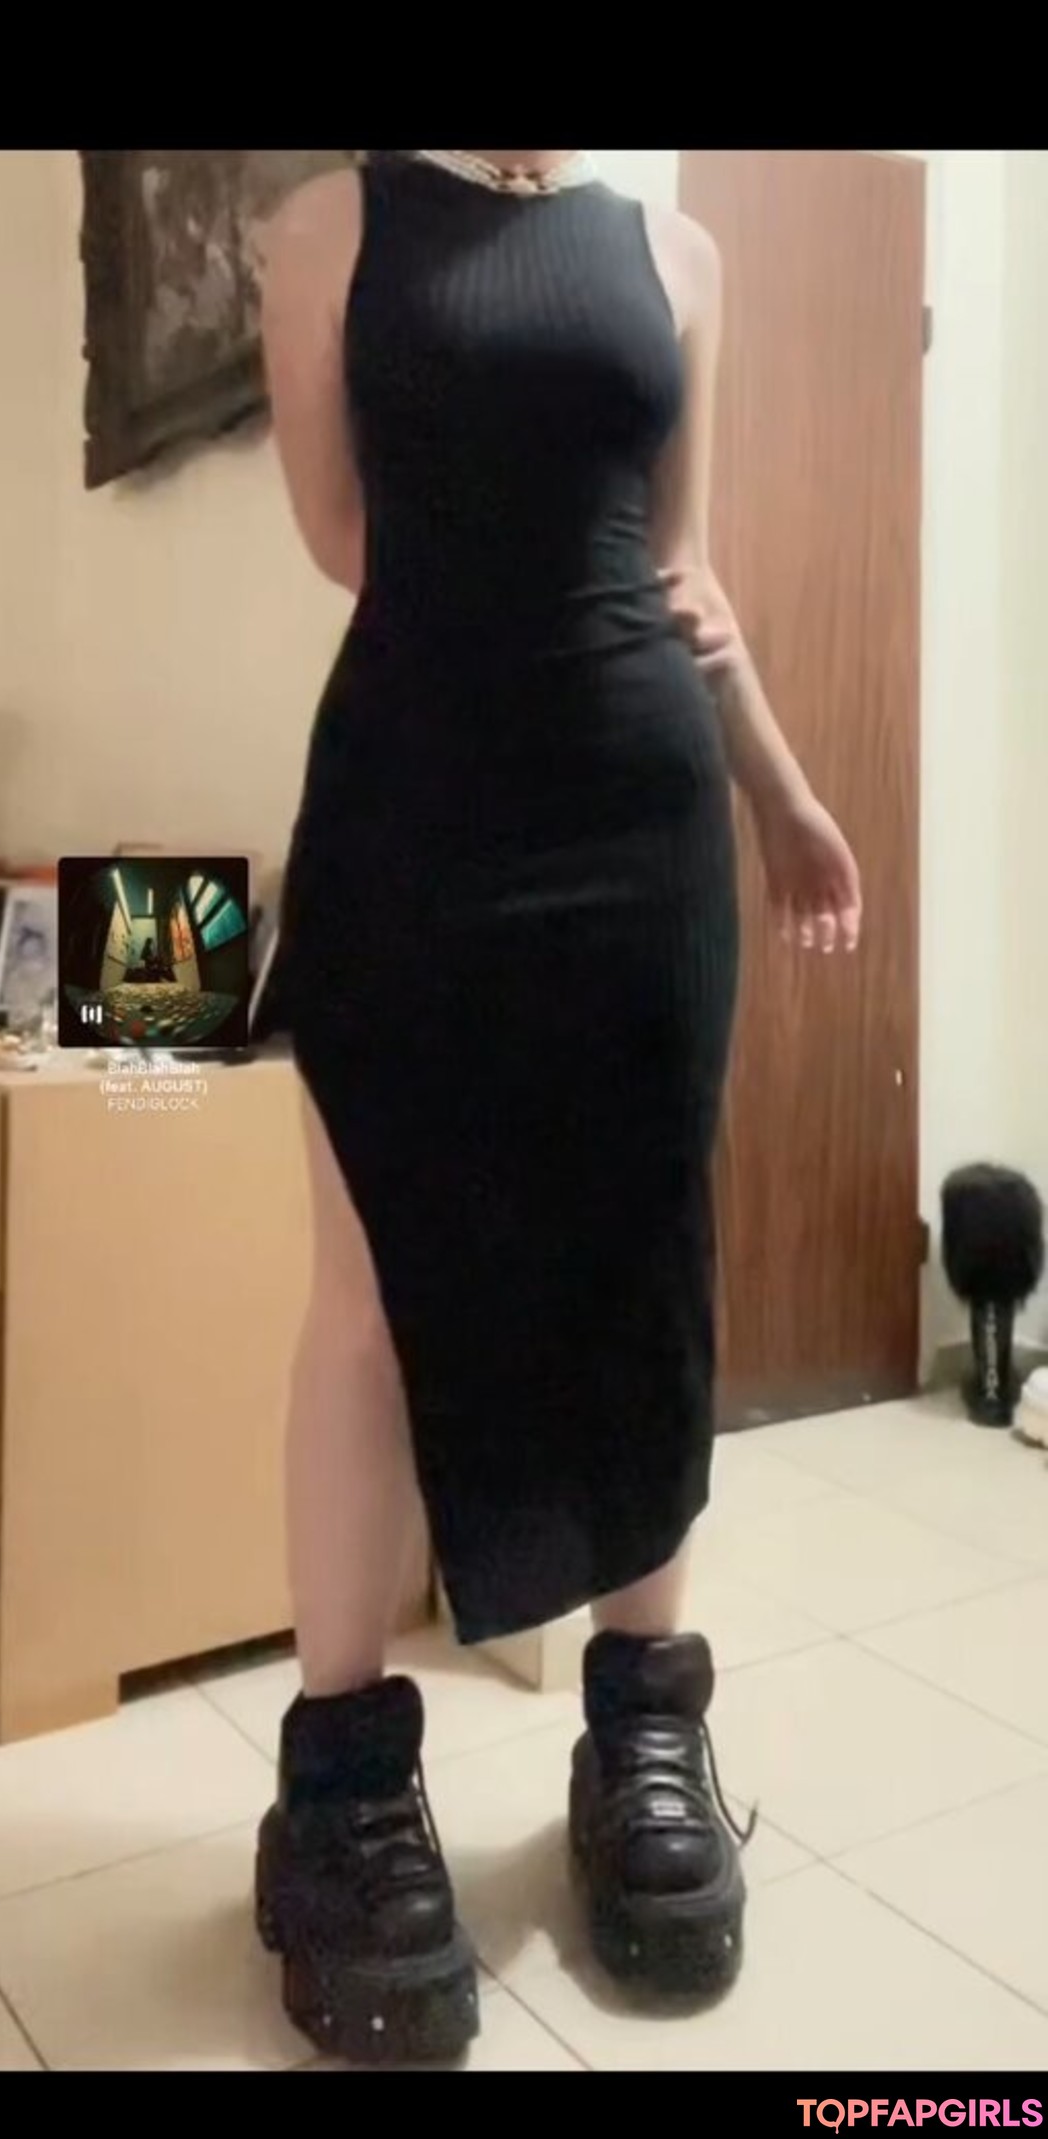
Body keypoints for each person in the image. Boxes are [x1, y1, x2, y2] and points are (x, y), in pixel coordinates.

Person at [257, 149, 861, 2065]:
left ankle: (645, 1737)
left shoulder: (680, 254)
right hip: (415, 803)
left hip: (636, 806)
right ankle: (344, 1795)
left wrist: (783, 795)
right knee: (371, 1290)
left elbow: (684, 571)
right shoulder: (328, 228)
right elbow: (346, 535)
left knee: (642, 1266)